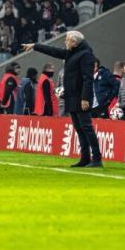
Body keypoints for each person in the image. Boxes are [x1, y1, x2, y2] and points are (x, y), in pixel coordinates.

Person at [23, 31, 103, 167]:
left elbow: (87, 79)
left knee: (87, 127)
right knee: (79, 128)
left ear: (74, 42)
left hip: (80, 97)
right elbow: (53, 51)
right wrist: (35, 46)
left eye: (67, 40)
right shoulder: (72, 52)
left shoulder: (86, 55)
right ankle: (85, 158)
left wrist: (85, 98)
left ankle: (97, 159)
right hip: (72, 97)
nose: (65, 42)